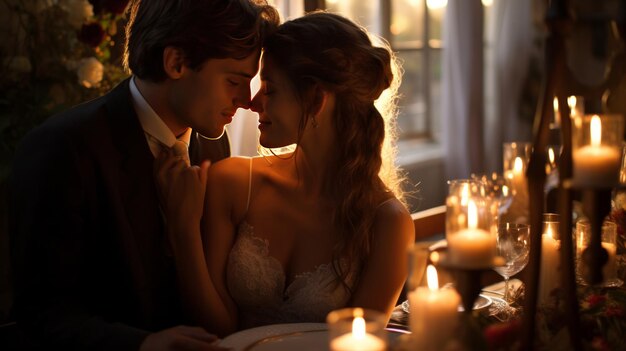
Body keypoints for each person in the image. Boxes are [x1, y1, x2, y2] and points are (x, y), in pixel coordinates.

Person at [9, 0, 279, 350]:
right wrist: (142, 345)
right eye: (234, 80)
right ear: (176, 62)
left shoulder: (212, 146)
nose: (246, 100)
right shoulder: (62, 150)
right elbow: (40, 313)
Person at [155, 11, 415, 337]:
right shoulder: (234, 182)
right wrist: (184, 231)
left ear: (316, 99)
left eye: (270, 88)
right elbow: (216, 327)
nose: (252, 102)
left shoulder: (387, 223)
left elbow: (359, 344)